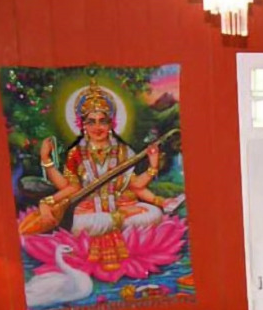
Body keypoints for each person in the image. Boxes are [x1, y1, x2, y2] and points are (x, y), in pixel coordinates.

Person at [22, 81, 177, 273]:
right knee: (81, 223)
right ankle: (111, 229)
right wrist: (46, 162)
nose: (97, 127)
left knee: (153, 214)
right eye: (91, 121)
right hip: (89, 212)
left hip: (120, 206)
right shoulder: (76, 153)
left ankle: (109, 228)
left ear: (111, 124)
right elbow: (71, 187)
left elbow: (136, 185)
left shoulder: (123, 151)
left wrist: (153, 167)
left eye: (102, 121)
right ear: (83, 125)